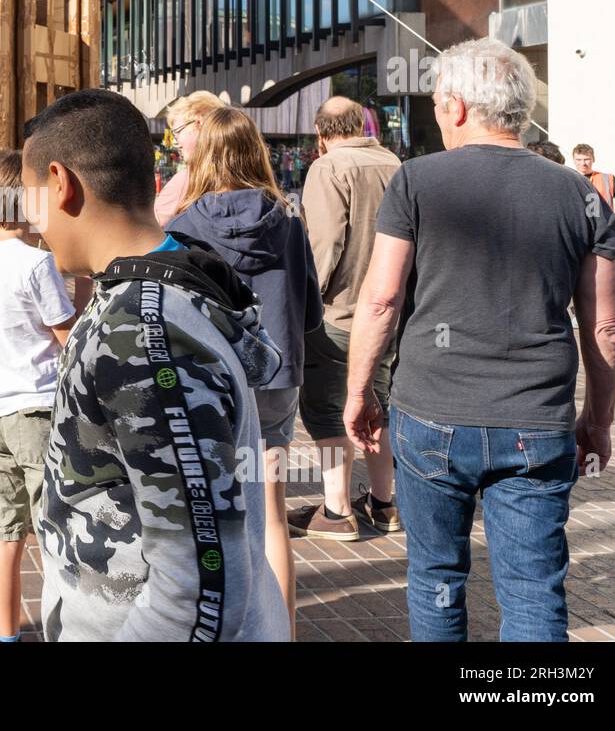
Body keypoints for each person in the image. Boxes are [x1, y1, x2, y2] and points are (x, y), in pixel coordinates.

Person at [345, 38, 615, 641]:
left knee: (436, 578)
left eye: (439, 104)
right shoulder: (581, 195)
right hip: (536, 420)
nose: (438, 115)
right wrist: (597, 420)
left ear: (459, 106)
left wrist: (359, 391)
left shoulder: (417, 180)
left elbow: (381, 299)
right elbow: (603, 327)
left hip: (431, 413)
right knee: (533, 592)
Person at [23, 89, 289, 642]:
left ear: (60, 182)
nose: (31, 223)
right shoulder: (151, 289)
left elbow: (199, 588)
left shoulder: (142, 335)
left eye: (30, 198)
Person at [166, 104, 322, 634]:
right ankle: (283, 629)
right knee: (272, 514)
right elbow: (310, 311)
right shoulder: (289, 218)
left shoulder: (186, 225)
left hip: (211, 381)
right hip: (276, 377)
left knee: (208, 512)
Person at [0, 150, 79, 642]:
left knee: (4, 535)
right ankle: (64, 631)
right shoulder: (37, 263)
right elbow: (66, 337)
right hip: (34, 409)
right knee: (57, 533)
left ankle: (8, 636)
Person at [288, 97, 402, 542]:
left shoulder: (328, 168)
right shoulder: (394, 163)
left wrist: (303, 304)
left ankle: (336, 512)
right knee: (379, 404)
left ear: (321, 134)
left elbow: (324, 244)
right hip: (388, 311)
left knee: (330, 411)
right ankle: (383, 502)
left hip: (338, 312)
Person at [154, 91, 221, 226]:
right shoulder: (247, 173)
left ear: (198, 123)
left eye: (177, 132)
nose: (174, 141)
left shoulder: (189, 179)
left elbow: (154, 226)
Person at [572, 143, 615, 221]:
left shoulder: (607, 179)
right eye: (579, 160)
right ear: (574, 160)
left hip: (602, 229)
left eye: (587, 159)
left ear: (593, 159)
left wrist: (614, 222)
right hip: (577, 228)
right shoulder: (568, 179)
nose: (583, 163)